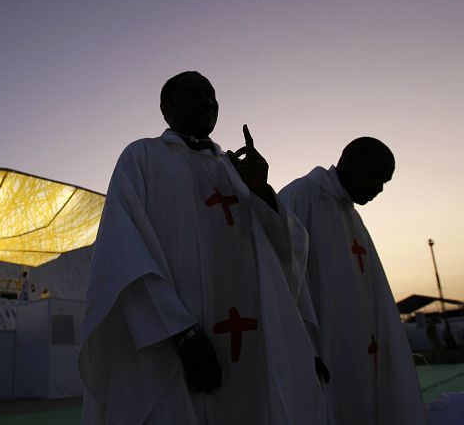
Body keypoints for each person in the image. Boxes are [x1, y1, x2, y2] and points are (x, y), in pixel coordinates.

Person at [79, 72, 324, 424]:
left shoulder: (235, 170)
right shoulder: (142, 158)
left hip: (253, 349)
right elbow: (124, 254)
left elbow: (285, 254)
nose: (208, 101)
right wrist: (182, 333)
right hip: (170, 349)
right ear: (166, 108)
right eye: (195, 93)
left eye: (213, 96)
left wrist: (261, 193)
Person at [278, 137, 425, 424]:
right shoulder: (300, 197)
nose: (379, 189)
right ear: (351, 163)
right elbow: (280, 280)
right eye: (376, 178)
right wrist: (301, 347)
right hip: (322, 349)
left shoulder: (349, 214)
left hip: (359, 351)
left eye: (385, 182)